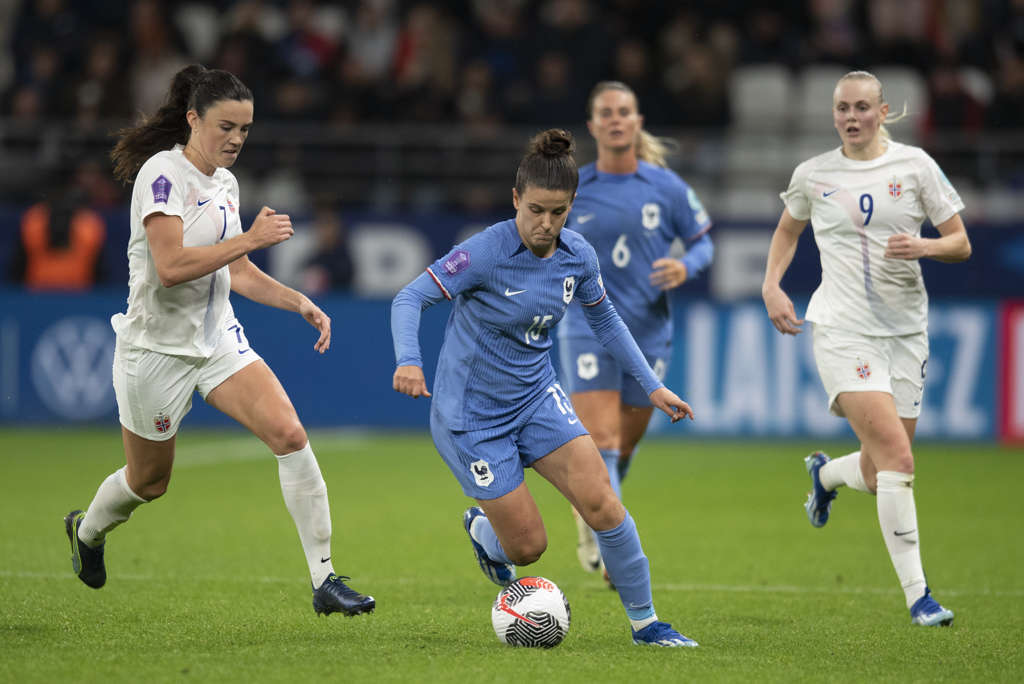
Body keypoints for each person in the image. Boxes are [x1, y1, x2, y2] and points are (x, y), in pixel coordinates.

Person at [63, 64, 374, 618]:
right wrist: (250, 238)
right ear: (193, 119)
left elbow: (239, 271)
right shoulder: (162, 175)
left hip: (216, 340)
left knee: (289, 432)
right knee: (149, 482)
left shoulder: (225, 183)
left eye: (245, 129)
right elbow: (170, 267)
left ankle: (325, 581)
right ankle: (86, 531)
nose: (236, 139)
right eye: (226, 126)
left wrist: (296, 299)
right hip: (156, 351)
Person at [391, 129, 699, 648]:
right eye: (535, 209)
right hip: (471, 417)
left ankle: (647, 626)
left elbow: (607, 324)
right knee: (529, 547)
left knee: (603, 502)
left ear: (571, 206)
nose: (545, 223)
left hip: (537, 399)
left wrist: (652, 386)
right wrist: (409, 361)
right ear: (515, 199)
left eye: (558, 212)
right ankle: (483, 531)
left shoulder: (577, 255)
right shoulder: (484, 252)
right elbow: (409, 297)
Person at [762, 71, 971, 627]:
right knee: (901, 462)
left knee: (881, 475)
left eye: (861, 107)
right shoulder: (813, 174)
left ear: (883, 111)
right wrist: (771, 284)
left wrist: (925, 246)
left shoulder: (916, 166)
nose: (850, 117)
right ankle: (919, 597)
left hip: (906, 334)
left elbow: (961, 242)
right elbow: (787, 231)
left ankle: (824, 477)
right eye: (841, 108)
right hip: (841, 330)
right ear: (833, 114)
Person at [558, 81, 713, 581]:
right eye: (606, 112)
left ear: (638, 121)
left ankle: (590, 507)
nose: (616, 119)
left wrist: (685, 266)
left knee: (620, 451)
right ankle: (615, 555)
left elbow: (704, 243)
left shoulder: (666, 187)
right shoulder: (574, 188)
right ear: (593, 125)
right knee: (600, 438)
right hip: (586, 327)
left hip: (647, 333)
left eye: (625, 111)